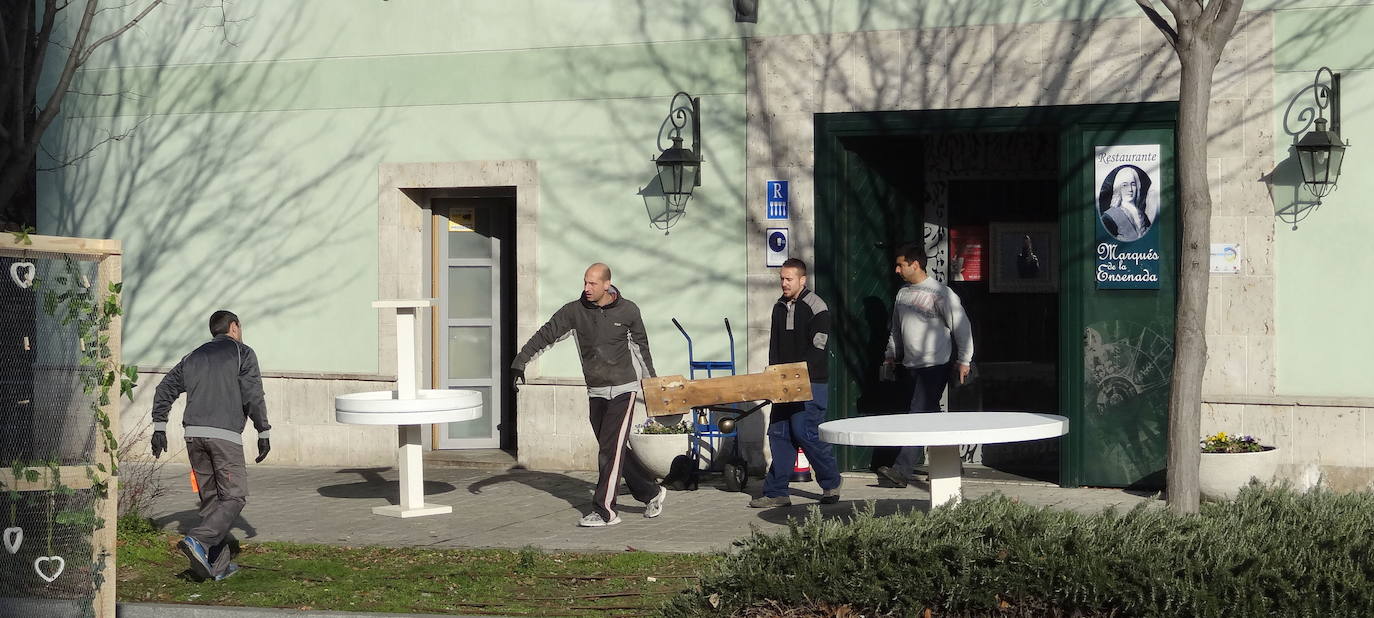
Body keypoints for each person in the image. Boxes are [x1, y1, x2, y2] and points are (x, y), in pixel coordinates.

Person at [511, 263, 667, 527]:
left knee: (609, 449)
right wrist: (520, 362)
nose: (586, 288)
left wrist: (651, 386)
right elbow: (545, 335)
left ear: (607, 284)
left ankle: (605, 511)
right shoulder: (574, 311)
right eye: (585, 282)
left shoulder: (628, 311)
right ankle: (651, 491)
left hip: (623, 390)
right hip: (595, 390)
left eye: (592, 284)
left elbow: (642, 349)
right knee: (613, 447)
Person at [150, 310, 271, 582]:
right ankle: (198, 540)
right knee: (235, 496)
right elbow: (253, 393)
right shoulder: (243, 353)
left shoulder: (193, 356)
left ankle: (217, 567)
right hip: (223, 437)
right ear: (234, 327)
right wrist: (263, 430)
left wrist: (159, 426)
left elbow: (164, 388)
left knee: (212, 501)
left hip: (193, 436)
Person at [877, 244, 974, 488]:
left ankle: (902, 470)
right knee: (930, 416)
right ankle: (951, 461)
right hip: (910, 365)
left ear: (915, 264)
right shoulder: (902, 294)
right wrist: (890, 355)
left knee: (917, 416)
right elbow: (896, 330)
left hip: (935, 365)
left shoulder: (941, 293)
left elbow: (961, 326)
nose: (896, 269)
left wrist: (964, 359)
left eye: (901, 264)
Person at [749, 258, 842, 508]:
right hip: (783, 385)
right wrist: (773, 378)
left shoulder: (817, 307)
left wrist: (800, 375)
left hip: (811, 383)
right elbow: (774, 347)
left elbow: (818, 347)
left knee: (805, 432)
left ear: (803, 280)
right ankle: (777, 492)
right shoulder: (778, 306)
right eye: (782, 278)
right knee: (779, 434)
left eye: (789, 279)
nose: (784, 283)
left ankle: (831, 483)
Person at [1098, 165, 1152, 242]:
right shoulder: (1108, 218)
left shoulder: (1142, 215)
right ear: (1118, 188)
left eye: (1133, 184)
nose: (1130, 189)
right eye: (1124, 185)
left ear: (1137, 187)